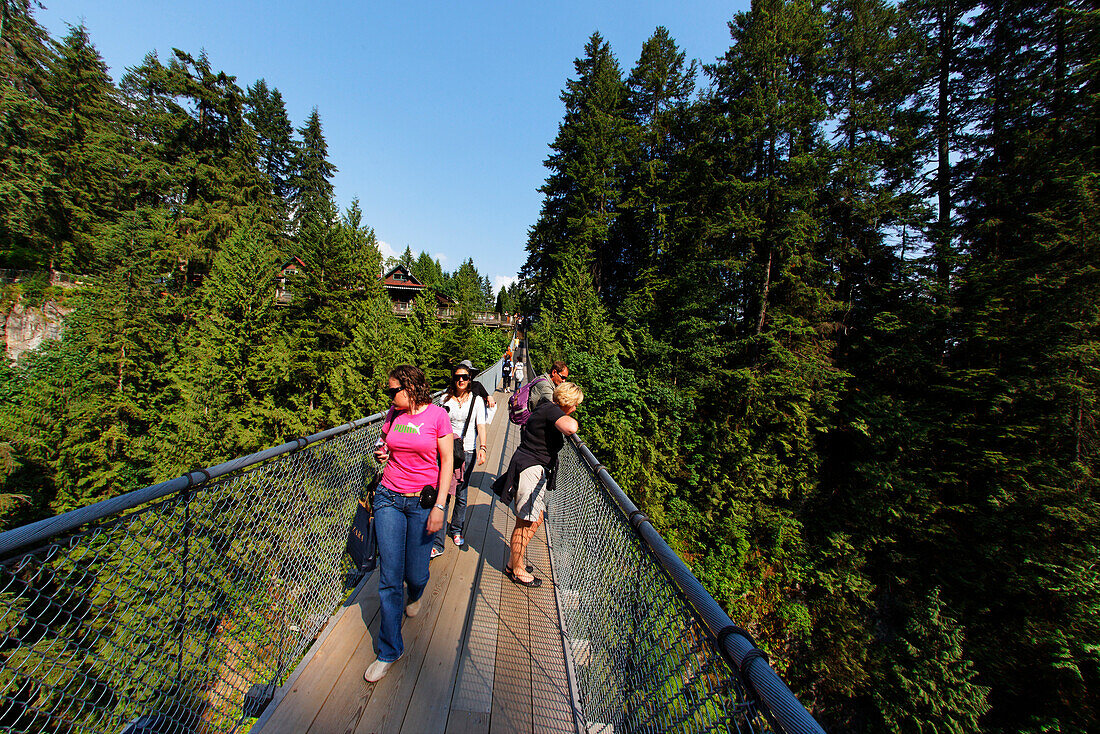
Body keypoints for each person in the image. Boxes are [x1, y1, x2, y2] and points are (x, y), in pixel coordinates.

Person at [364, 365, 453, 683]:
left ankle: (416, 593)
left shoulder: (437, 417)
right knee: (389, 577)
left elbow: (447, 463)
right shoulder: (393, 414)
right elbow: (386, 443)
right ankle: (389, 650)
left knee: (416, 573)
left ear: (411, 388)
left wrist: (440, 506)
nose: (389, 396)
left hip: (421, 503)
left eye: (393, 390)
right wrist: (383, 452)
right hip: (388, 498)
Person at [494, 382, 583, 587]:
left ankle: (514, 561)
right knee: (525, 521)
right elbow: (571, 427)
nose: (576, 409)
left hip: (528, 465)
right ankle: (516, 569)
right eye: (575, 405)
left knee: (535, 518)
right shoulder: (552, 411)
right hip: (531, 470)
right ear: (567, 403)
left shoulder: (545, 405)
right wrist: (570, 419)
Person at [432, 361, 489, 558]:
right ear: (453, 379)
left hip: (467, 451)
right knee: (445, 493)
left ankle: (456, 529)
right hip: (446, 451)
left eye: (465, 377)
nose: (461, 380)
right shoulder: (444, 399)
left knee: (462, 494)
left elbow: (480, 425)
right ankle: (438, 541)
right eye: (457, 377)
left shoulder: (477, 400)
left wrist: (483, 447)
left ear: (470, 379)